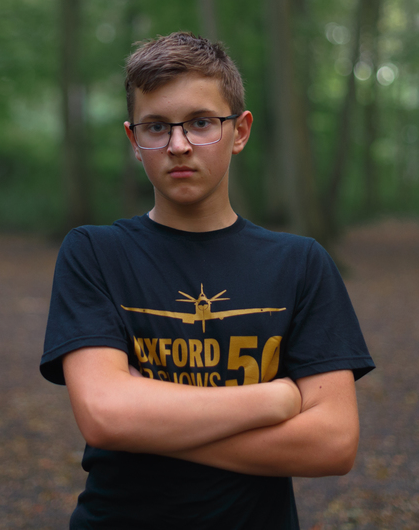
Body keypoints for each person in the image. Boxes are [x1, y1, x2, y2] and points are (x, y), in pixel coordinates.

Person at [40, 32, 375, 529]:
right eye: (157, 127)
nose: (178, 145)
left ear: (239, 131)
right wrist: (272, 399)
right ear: (134, 141)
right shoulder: (95, 253)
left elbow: (332, 443)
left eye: (200, 123)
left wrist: (148, 422)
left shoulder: (300, 264)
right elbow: (106, 416)